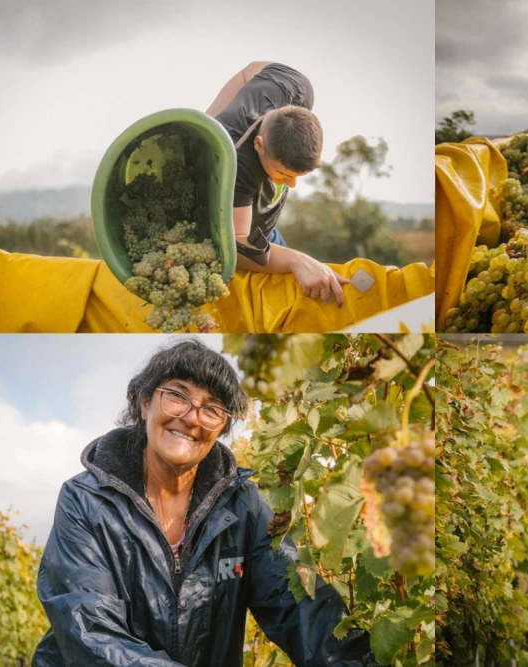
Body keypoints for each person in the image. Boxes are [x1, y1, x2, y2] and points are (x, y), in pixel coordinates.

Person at [32, 339, 372, 666]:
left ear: (221, 426)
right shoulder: (85, 501)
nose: (193, 418)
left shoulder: (243, 506)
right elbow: (90, 633)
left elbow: (297, 605)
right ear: (144, 402)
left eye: (212, 409)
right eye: (177, 396)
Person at [206, 61, 350, 307]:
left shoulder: (294, 88)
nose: (291, 185)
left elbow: (250, 70)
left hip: (265, 229)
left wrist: (209, 119)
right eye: (283, 173)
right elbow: (236, 248)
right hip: (244, 237)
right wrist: (296, 260)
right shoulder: (234, 164)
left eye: (298, 176)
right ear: (259, 144)